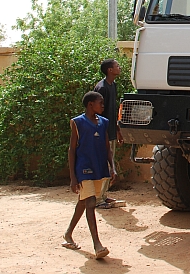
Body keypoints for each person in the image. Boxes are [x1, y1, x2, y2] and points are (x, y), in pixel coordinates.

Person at [62, 91, 115, 259]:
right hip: (84, 168)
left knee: (84, 201)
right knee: (91, 202)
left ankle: (68, 234)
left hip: (99, 168)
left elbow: (107, 147)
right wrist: (73, 177)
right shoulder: (78, 123)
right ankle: (97, 245)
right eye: (101, 103)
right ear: (91, 104)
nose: (103, 106)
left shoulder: (103, 123)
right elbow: (72, 150)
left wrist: (112, 167)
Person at [94, 58, 123, 209]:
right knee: (104, 165)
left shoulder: (113, 86)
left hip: (111, 131)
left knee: (109, 164)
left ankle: (103, 195)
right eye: (116, 66)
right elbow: (96, 112)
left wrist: (117, 130)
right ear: (110, 70)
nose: (119, 67)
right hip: (103, 133)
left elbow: (113, 110)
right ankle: (98, 199)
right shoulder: (102, 88)